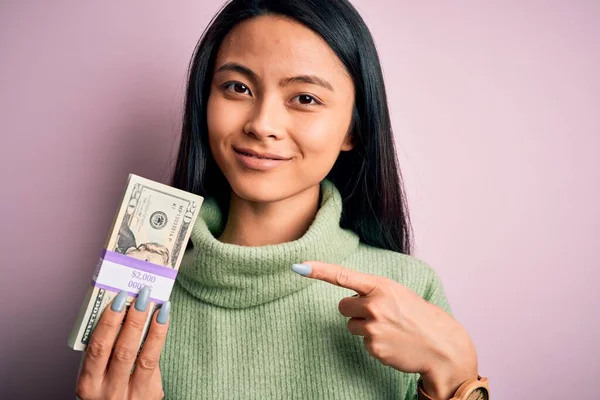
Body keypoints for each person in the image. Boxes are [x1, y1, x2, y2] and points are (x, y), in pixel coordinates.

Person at [74, 0, 490, 399]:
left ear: (353, 129)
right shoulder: (132, 290)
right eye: (237, 87)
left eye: (305, 98)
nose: (262, 124)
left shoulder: (410, 289)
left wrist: (455, 371)